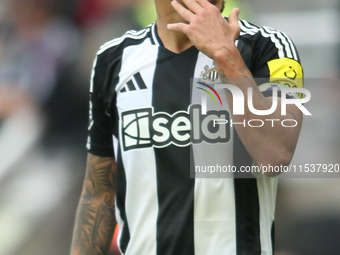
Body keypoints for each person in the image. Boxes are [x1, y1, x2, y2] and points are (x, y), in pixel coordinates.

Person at [70, 0, 303, 254]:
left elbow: (275, 154)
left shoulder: (269, 47)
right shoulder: (112, 59)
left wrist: (226, 56)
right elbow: (100, 192)